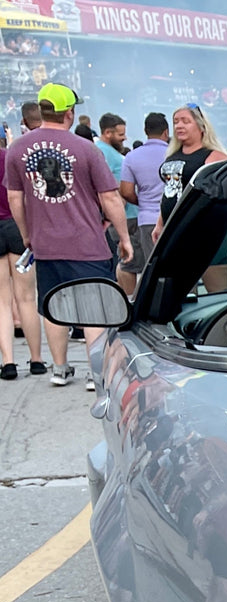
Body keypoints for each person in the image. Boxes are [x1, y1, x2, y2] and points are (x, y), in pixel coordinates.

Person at [3, 83, 131, 388]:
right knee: (93, 308)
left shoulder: (18, 148)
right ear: (69, 113)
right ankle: (95, 372)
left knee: (54, 307)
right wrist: (124, 237)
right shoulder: (87, 148)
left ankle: (59, 368)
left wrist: (27, 235)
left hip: (46, 244)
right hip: (87, 243)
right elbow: (110, 197)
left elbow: (15, 199)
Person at [154, 104, 227, 294]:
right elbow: (170, 192)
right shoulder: (172, 156)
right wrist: (160, 224)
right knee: (180, 298)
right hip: (176, 235)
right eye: (176, 122)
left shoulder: (214, 157)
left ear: (201, 126)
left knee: (219, 297)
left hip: (208, 236)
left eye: (185, 121)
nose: (179, 126)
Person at [0, 150, 45, 380]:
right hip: (18, 227)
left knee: (2, 301)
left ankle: (8, 362)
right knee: (26, 298)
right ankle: (36, 359)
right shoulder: (11, 158)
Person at [118, 112, 168, 293]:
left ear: (145, 131)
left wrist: (143, 202)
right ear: (166, 131)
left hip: (147, 219)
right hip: (174, 216)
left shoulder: (132, 157)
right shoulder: (174, 154)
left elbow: (126, 192)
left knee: (153, 268)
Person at [97, 113, 139, 293]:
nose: (125, 138)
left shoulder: (108, 152)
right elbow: (108, 189)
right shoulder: (102, 153)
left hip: (125, 215)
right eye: (120, 134)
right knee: (129, 262)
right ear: (108, 133)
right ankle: (128, 301)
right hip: (123, 217)